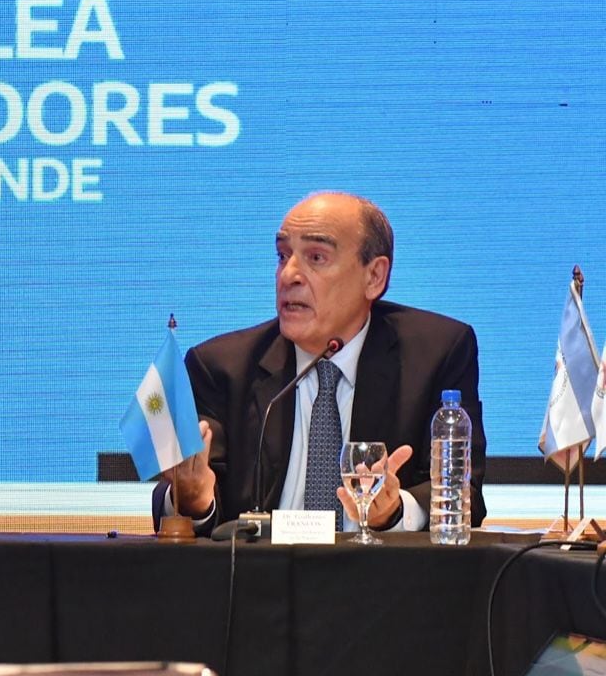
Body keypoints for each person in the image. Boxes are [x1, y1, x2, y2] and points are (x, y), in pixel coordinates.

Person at [155, 192, 486, 532]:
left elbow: (464, 496)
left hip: (377, 575)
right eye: (283, 256)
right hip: (259, 577)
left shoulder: (437, 353)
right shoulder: (221, 366)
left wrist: (395, 510)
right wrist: (194, 498)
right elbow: (186, 500)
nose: (289, 275)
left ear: (374, 276)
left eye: (316, 257)